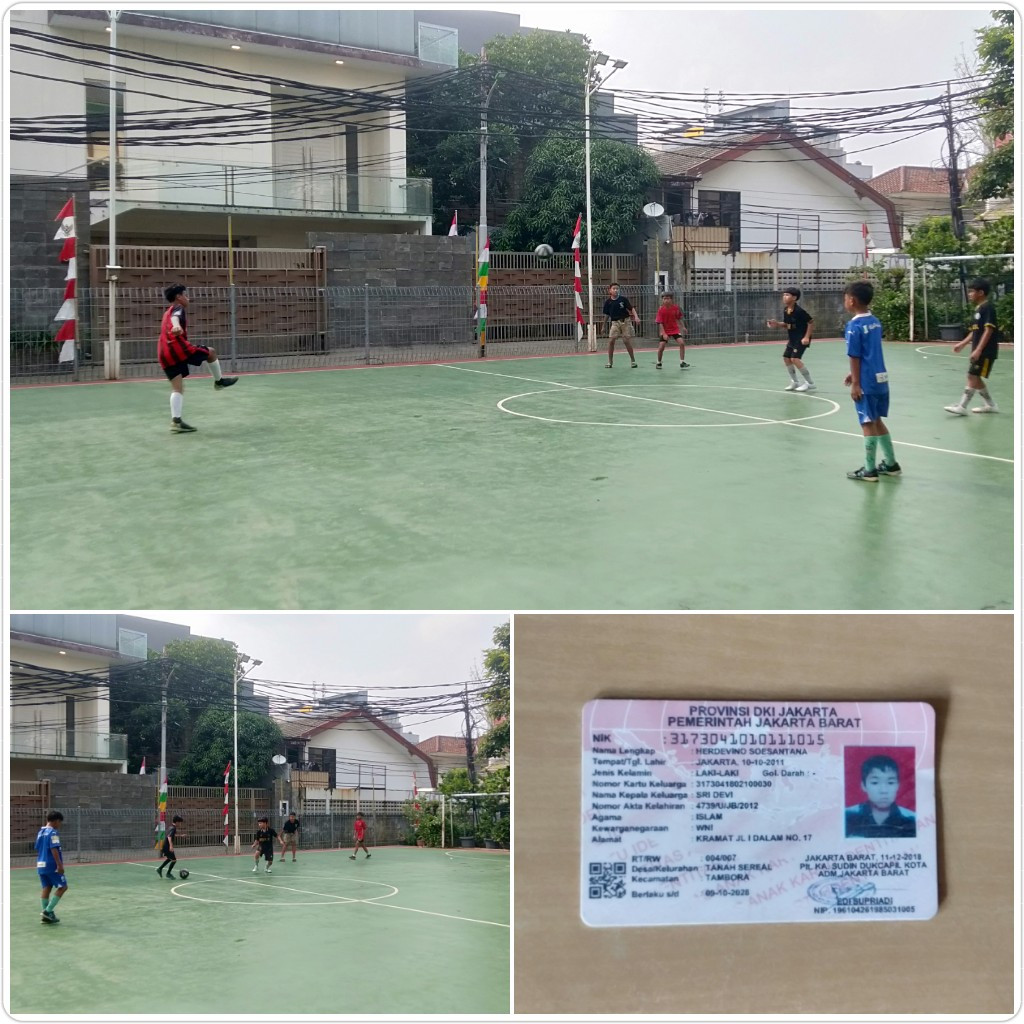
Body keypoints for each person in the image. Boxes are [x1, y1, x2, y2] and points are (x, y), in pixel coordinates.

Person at [157, 283, 238, 433]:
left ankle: (176, 422)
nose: (188, 298)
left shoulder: (166, 312)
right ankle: (219, 382)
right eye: (185, 295)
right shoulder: (177, 308)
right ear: (179, 297)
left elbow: (173, 318)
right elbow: (176, 318)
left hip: (163, 353)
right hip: (178, 349)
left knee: (177, 388)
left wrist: (175, 326)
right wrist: (176, 326)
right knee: (211, 352)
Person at [843, 281, 901, 482]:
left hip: (866, 382)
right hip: (881, 379)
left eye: (845, 298)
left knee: (867, 422)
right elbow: (869, 352)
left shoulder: (854, 326)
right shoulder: (875, 322)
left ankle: (869, 470)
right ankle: (891, 464)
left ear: (852, 300)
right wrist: (853, 374)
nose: (845, 302)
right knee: (876, 419)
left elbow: (855, 355)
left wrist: (856, 382)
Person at [944, 278, 1001, 415]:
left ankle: (962, 406)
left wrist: (979, 350)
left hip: (986, 351)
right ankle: (990, 405)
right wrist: (962, 344)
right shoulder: (978, 309)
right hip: (979, 350)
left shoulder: (988, 308)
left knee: (972, 376)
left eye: (971, 291)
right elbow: (975, 331)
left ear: (980, 293)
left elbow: (988, 330)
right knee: (975, 377)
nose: (969, 294)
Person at [845, 754, 917, 838]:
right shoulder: (846, 816)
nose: (883, 791)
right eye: (875, 782)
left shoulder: (912, 819)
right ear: (863, 786)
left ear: (898, 785)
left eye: (890, 783)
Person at [767, 287, 815, 391]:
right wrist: (777, 324)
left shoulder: (799, 311)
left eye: (787, 295)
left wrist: (806, 337)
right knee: (786, 358)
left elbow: (810, 322)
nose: (784, 297)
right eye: (784, 295)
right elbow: (786, 324)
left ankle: (810, 383)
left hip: (801, 338)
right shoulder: (786, 310)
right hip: (792, 338)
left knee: (795, 359)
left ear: (794, 298)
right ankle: (795, 382)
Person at [35, 810, 68, 925]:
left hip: (41, 864)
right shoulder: (53, 833)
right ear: (56, 821)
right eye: (60, 822)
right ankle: (47, 911)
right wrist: (59, 865)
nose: (60, 825)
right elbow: (54, 849)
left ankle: (46, 916)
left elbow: (38, 848)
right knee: (63, 887)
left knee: (47, 887)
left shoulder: (41, 832)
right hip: (51, 865)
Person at [600, 283, 640, 369]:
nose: (616, 290)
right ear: (610, 290)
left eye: (617, 289)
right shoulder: (608, 302)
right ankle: (610, 362)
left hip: (625, 321)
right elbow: (607, 315)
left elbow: (631, 308)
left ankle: (633, 360)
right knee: (611, 341)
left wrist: (636, 317)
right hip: (615, 323)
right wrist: (603, 326)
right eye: (614, 289)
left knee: (626, 341)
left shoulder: (623, 299)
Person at [654, 292, 689, 369]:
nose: (666, 300)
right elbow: (660, 323)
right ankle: (659, 362)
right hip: (665, 330)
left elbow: (678, 318)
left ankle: (682, 362)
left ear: (671, 299)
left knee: (682, 343)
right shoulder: (661, 309)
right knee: (661, 346)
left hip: (674, 329)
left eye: (668, 298)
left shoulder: (676, 308)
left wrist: (683, 327)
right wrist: (664, 333)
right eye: (664, 299)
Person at [157, 814, 184, 879]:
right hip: (167, 846)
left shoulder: (170, 827)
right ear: (177, 822)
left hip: (165, 845)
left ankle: (160, 869)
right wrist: (171, 846)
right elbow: (169, 837)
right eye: (180, 823)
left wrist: (180, 836)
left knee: (170, 858)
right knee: (174, 860)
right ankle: (168, 873)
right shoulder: (173, 828)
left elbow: (170, 835)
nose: (180, 824)